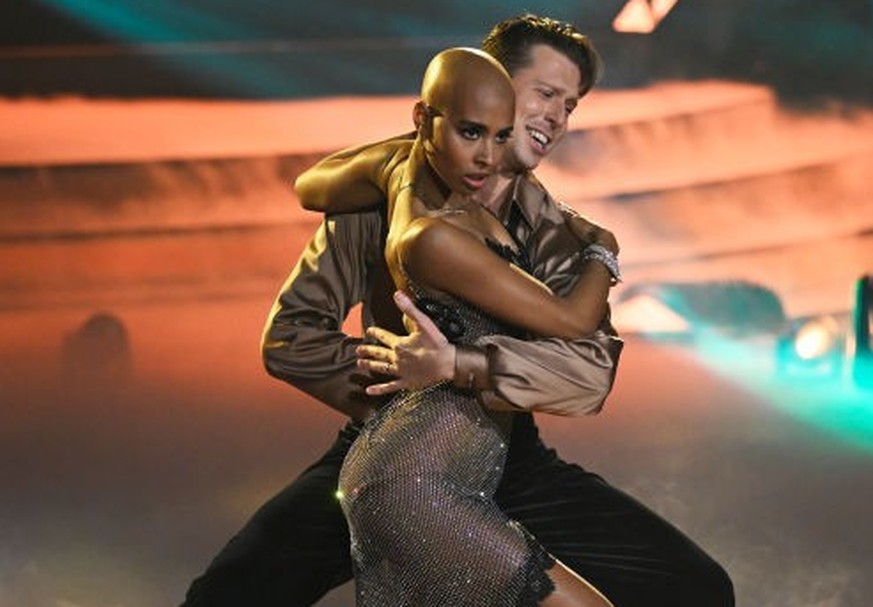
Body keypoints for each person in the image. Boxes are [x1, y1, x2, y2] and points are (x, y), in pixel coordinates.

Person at [180, 14, 733, 607]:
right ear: (488, 83)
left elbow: (590, 374)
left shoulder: (562, 234)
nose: (556, 117)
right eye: (544, 94)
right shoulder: (379, 203)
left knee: (696, 589)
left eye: (570, 105)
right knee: (227, 596)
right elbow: (293, 337)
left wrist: (460, 368)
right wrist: (401, 391)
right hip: (391, 452)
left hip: (514, 459)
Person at [326, 46, 614, 606]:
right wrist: (605, 251)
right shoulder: (434, 237)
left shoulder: (450, 196)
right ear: (422, 120)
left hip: (446, 475)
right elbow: (572, 323)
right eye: (469, 132)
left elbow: (314, 183)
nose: (486, 154)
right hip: (415, 483)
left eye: (500, 136)